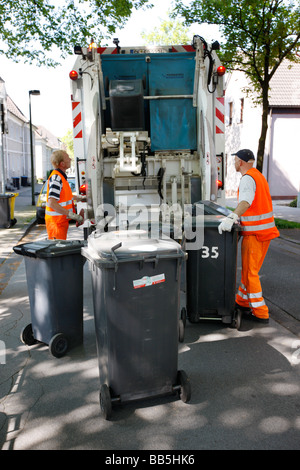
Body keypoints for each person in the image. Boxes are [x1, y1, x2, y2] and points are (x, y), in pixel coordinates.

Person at [218, 149, 279, 323]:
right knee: (247, 271)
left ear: (241, 162)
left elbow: (245, 202)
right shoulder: (257, 175)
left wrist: (232, 217)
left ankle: (261, 312)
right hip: (260, 233)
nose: (234, 163)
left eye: (235, 160)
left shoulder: (247, 179)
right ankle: (243, 302)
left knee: (251, 272)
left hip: (256, 234)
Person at [45, 150, 84, 240]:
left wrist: (80, 198)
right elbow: (52, 203)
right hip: (56, 224)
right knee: (57, 251)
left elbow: (64, 197)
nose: (70, 159)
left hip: (59, 223)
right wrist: (72, 215)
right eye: (68, 157)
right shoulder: (56, 177)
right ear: (62, 164)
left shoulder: (60, 177)